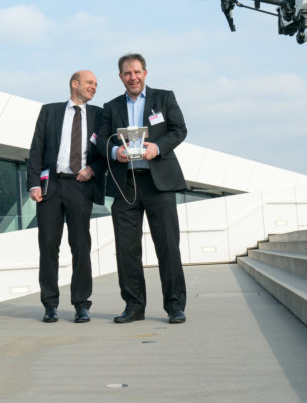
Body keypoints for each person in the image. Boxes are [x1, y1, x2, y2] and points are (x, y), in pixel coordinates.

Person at [97, 54, 188, 324]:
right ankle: (134, 307)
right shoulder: (110, 107)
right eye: (127, 73)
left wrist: (157, 147)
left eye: (137, 72)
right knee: (127, 249)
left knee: (168, 246)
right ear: (120, 77)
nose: (133, 77)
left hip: (159, 182)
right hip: (126, 185)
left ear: (145, 73)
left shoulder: (164, 98)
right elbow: (99, 140)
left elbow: (179, 130)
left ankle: (174, 307)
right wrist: (114, 151)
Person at [27, 71, 106, 323]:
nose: (94, 87)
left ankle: (81, 304)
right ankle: (50, 304)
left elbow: (105, 151)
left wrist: (93, 169)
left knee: (81, 246)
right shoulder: (49, 111)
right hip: (51, 187)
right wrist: (33, 185)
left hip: (80, 187)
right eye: (90, 83)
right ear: (75, 84)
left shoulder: (99, 115)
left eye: (95, 84)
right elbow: (36, 149)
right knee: (48, 246)